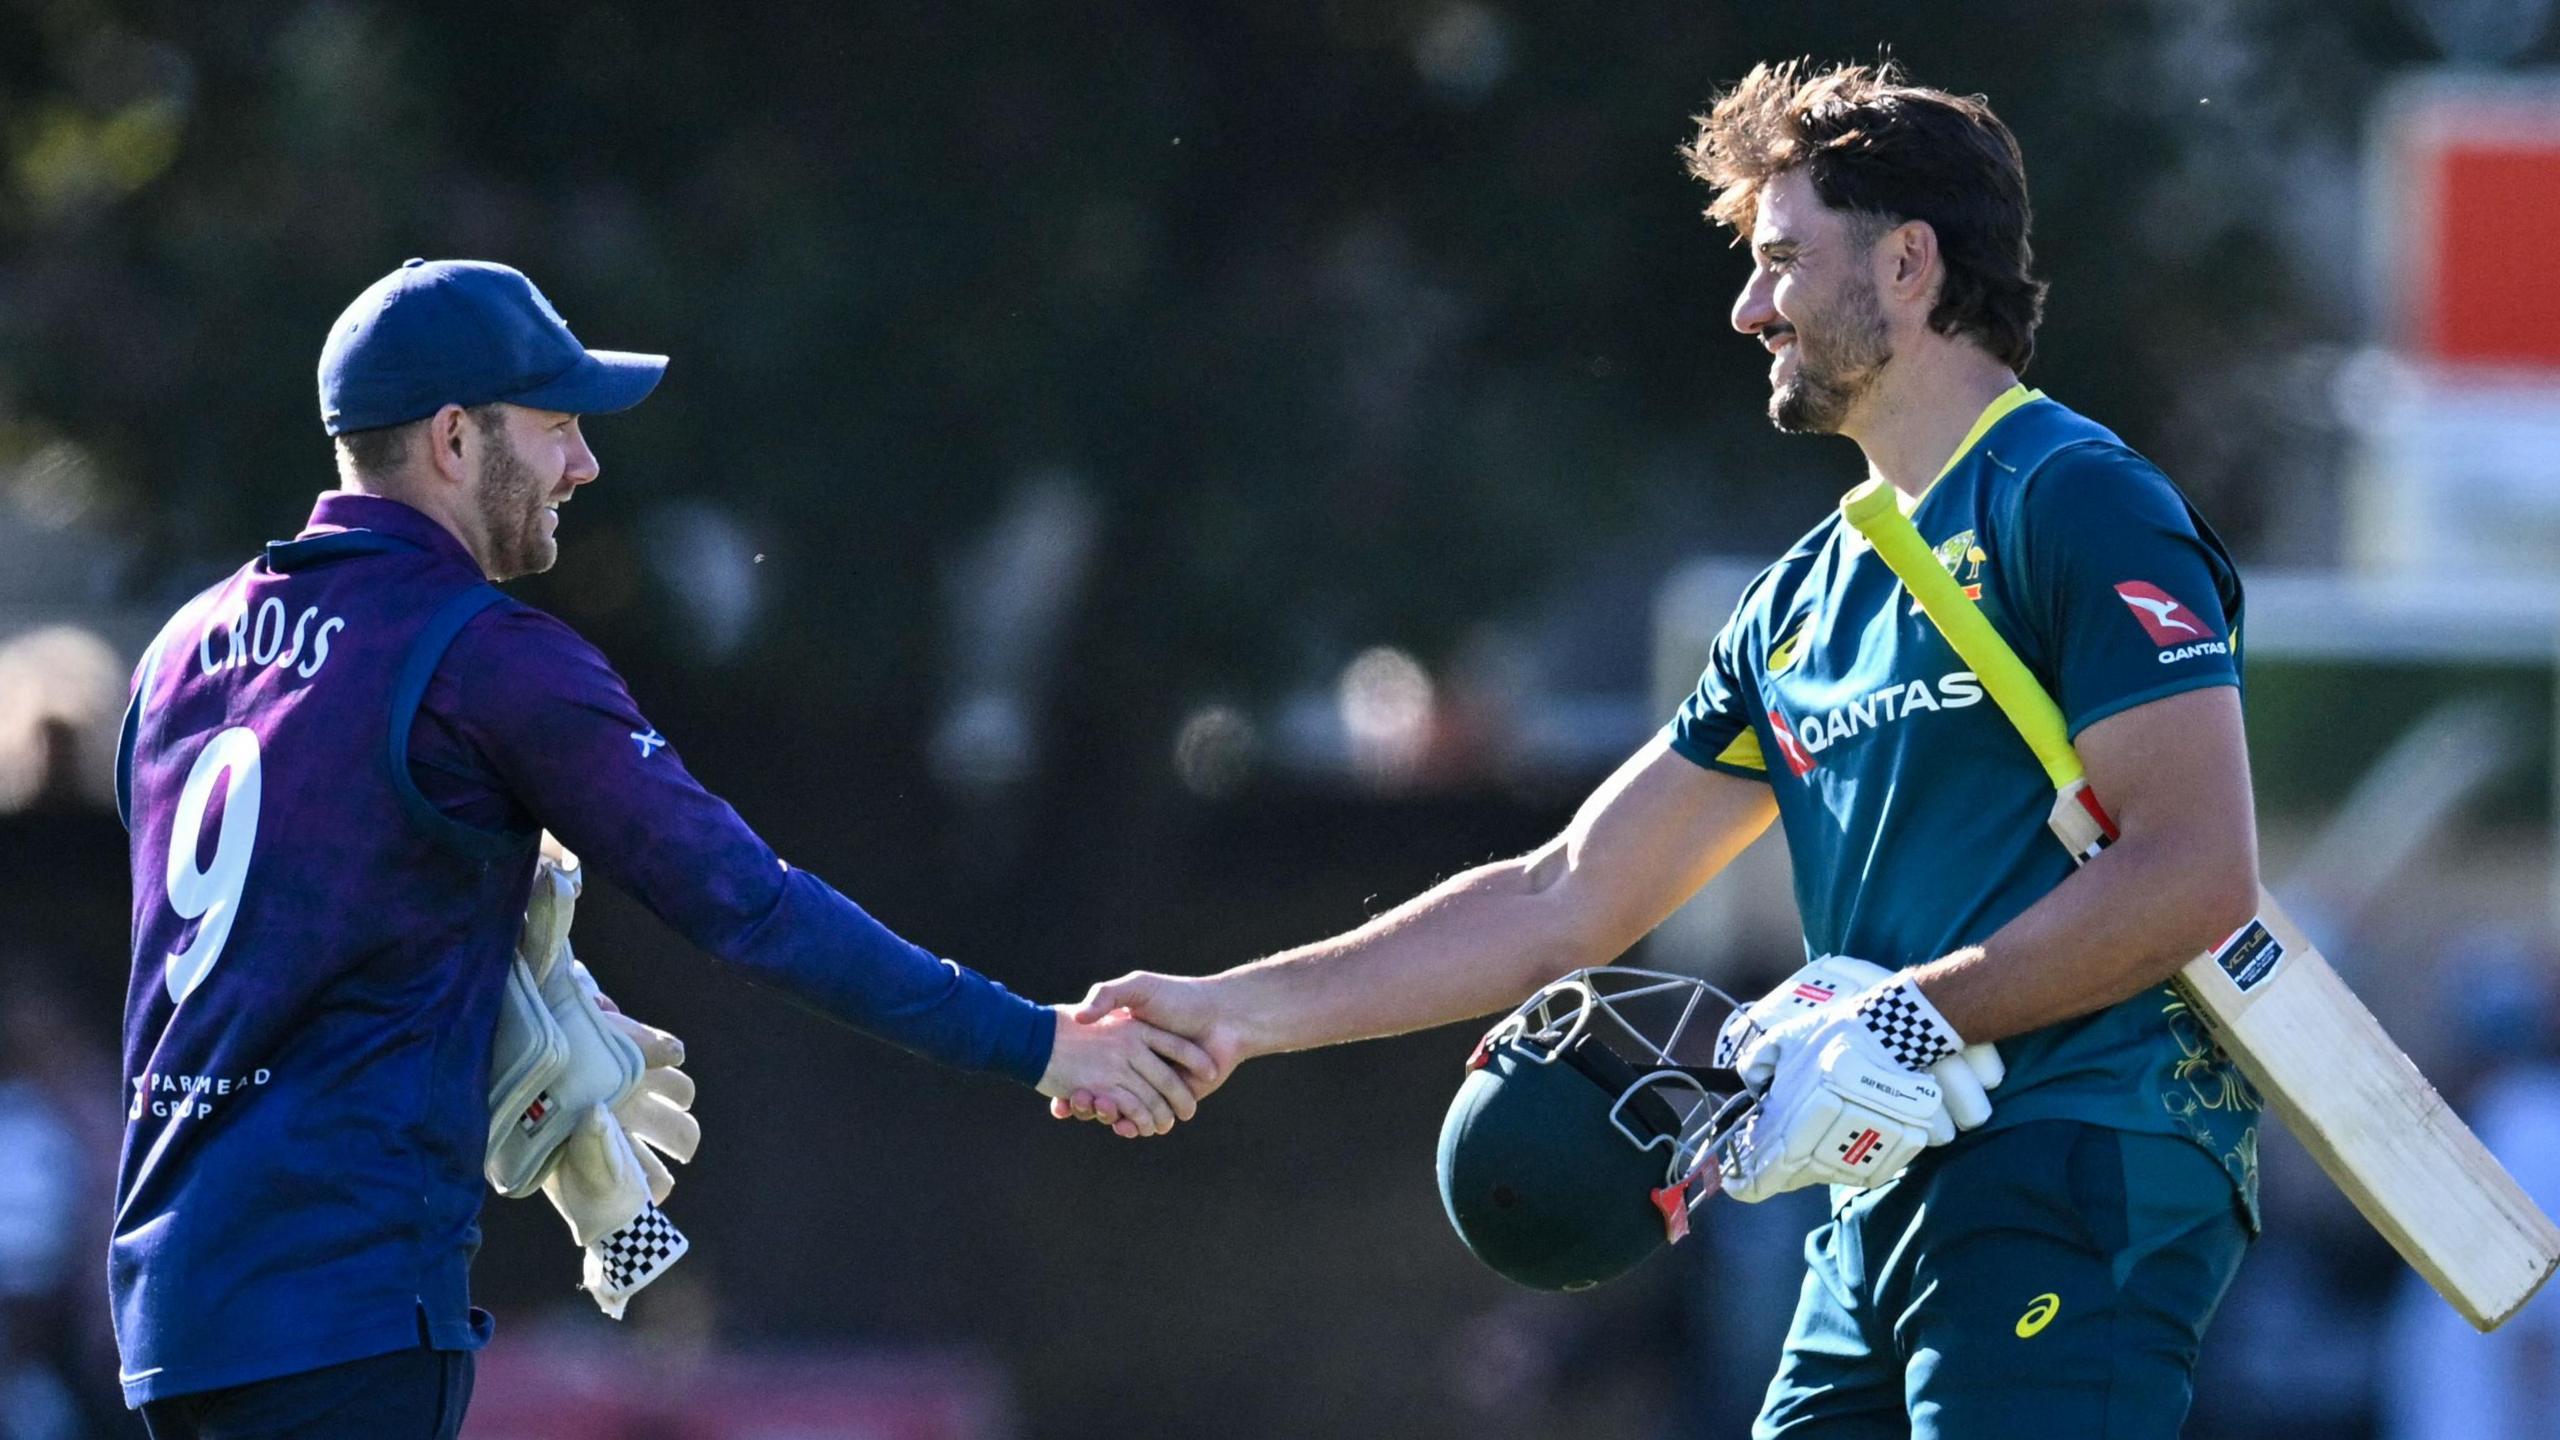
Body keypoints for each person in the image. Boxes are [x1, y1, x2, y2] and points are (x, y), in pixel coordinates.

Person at [1058, 59, 2264, 1437]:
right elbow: (1562, 895)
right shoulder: (1806, 597)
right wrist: (1239, 1011)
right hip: (1876, 1197)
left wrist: (1905, 1016)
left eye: (1781, 261)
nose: (1750, 309)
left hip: (2073, 1163)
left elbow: (2193, 872)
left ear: (1912, 264)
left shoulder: (2077, 499)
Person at [111, 258, 1213, 1440]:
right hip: (352, 1315)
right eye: (555, 427)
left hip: (174, 1316)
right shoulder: (488, 657)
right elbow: (750, 906)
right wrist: (1042, 1045)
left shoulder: (182, 650)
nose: (581, 465)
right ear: (450, 438)